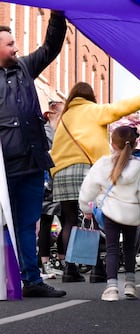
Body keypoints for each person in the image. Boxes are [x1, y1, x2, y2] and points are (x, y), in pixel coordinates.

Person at [50, 82, 140, 283]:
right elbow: (118, 108)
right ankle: (97, 269)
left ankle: (70, 269)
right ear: (90, 96)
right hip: (87, 168)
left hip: (61, 172)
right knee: (94, 218)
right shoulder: (93, 110)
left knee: (69, 220)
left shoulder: (65, 117)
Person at [0, 11, 67, 298]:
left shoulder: (25, 68)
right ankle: (7, 278)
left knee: (27, 223)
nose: (17, 48)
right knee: (7, 224)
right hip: (3, 167)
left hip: (30, 163)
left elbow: (51, 47)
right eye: (10, 43)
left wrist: (57, 12)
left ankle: (31, 280)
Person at [79, 126, 140, 301]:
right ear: (135, 143)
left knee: (112, 248)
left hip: (110, 212)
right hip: (133, 213)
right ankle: (130, 284)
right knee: (130, 249)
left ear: (112, 144)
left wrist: (86, 208)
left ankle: (112, 288)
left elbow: (89, 187)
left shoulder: (103, 164)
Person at [39, 100, 65, 278]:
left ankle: (63, 261)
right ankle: (45, 263)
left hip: (61, 181)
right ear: (51, 114)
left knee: (68, 221)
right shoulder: (46, 132)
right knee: (47, 223)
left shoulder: (62, 132)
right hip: (48, 183)